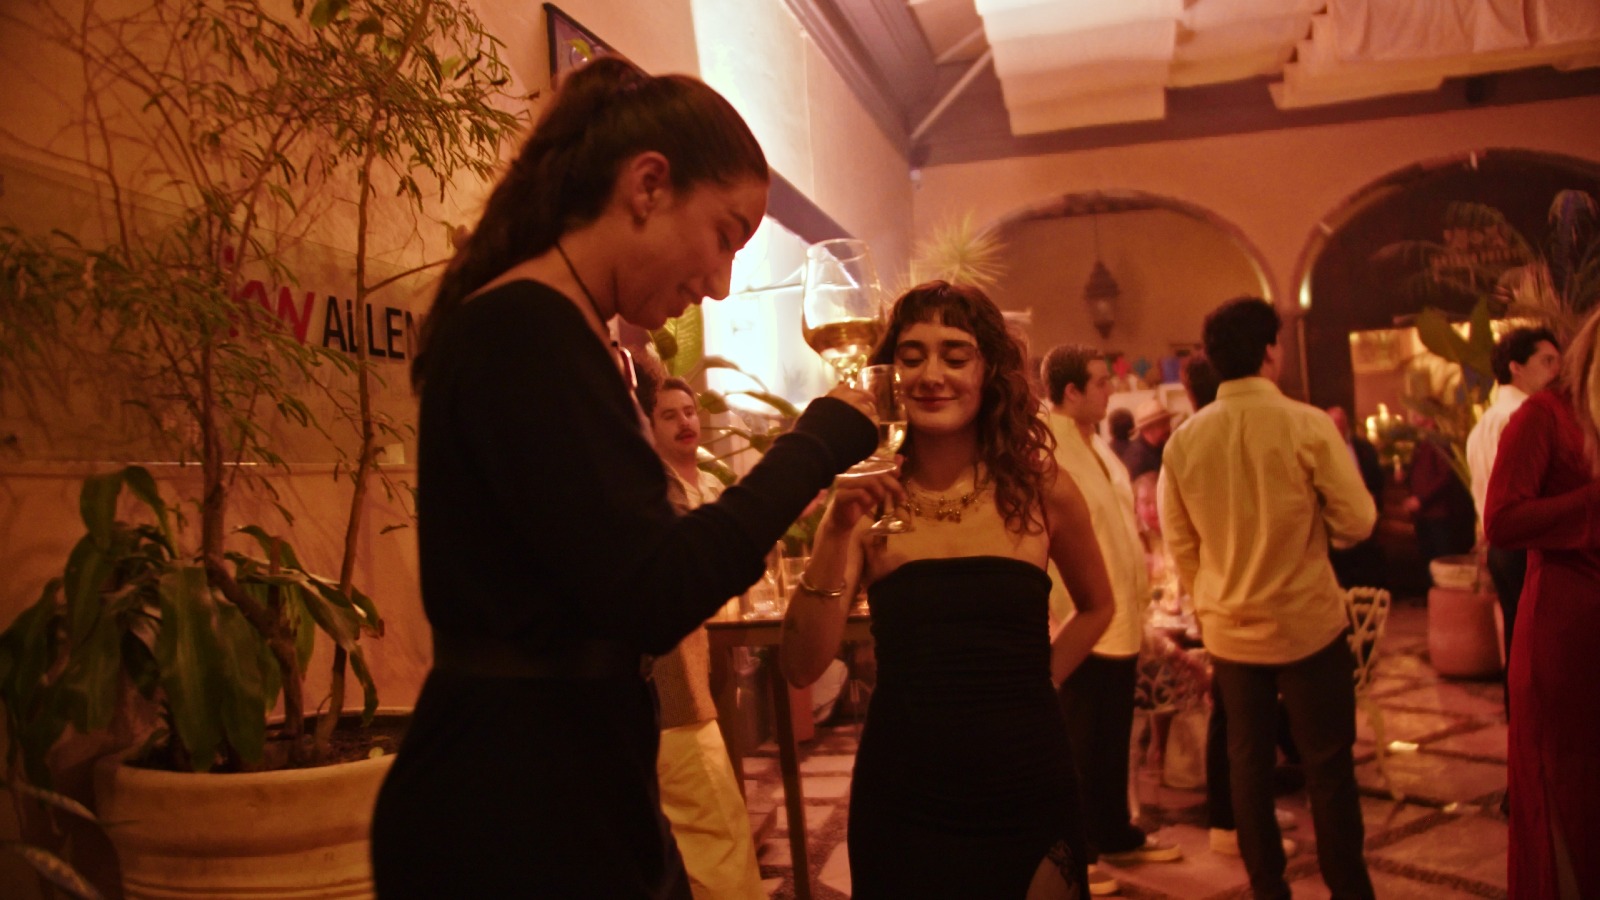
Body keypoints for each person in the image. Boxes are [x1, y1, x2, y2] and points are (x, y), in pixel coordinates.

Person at [369, 57, 878, 898]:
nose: (720, 283)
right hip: (512, 811)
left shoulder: (561, 332)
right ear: (648, 186)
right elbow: (657, 588)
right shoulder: (525, 330)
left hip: (560, 787)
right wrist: (817, 442)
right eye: (726, 236)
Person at [781, 281, 1115, 900]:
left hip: (1029, 776)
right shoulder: (868, 499)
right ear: (889, 373)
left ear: (988, 371)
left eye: (955, 356)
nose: (932, 375)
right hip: (906, 789)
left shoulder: (1041, 488)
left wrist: (1038, 681)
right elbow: (801, 666)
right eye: (912, 357)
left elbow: (1099, 607)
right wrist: (835, 528)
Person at [1159, 297, 1377, 900]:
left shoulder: (1184, 441)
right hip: (1308, 622)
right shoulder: (1307, 424)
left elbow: (1181, 543)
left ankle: (1267, 890)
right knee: (1328, 768)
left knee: (1248, 766)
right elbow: (1359, 520)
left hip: (1230, 630)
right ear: (1270, 352)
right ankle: (1349, 890)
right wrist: (1317, 533)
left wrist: (1213, 597)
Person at [1041, 345, 1182, 896]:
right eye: (1099, 382)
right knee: (1078, 745)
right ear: (1071, 391)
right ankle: (1079, 853)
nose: (1110, 390)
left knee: (1111, 741)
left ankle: (1114, 833)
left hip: (1120, 613)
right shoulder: (1048, 447)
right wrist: (1057, 616)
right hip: (1079, 617)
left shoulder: (1095, 442)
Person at [1484, 312, 1600, 900]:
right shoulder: (1545, 415)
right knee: (1568, 789)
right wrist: (1593, 503)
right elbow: (1502, 520)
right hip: (1565, 629)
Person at [636, 374, 764, 899]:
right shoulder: (650, 488)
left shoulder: (700, 482)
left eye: (689, 411)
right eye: (667, 415)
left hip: (681, 685)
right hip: (672, 692)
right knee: (717, 840)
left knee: (698, 841)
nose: (685, 421)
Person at [1465, 326, 1560, 703]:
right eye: (1547, 361)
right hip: (1526, 546)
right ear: (1516, 367)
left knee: (1517, 641)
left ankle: (1517, 719)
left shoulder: (1483, 423)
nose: (1556, 371)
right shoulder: (1524, 416)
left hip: (1501, 548)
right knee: (1538, 646)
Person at [1325, 405, 1387, 590]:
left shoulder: (1363, 448)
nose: (1339, 427)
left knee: (1366, 563)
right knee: (1341, 567)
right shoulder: (1322, 450)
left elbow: (1377, 477)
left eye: (1341, 423)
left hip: (1365, 513)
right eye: (1334, 423)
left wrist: (1375, 504)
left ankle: (1367, 597)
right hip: (1336, 517)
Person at [1404, 412, 1476, 562]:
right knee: (1428, 558)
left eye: (1418, 414)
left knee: (1443, 558)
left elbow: (1445, 475)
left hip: (1438, 512)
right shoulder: (1423, 441)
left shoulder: (1440, 441)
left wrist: (1422, 499)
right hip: (1424, 513)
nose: (1414, 418)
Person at [1120, 397, 1174, 481]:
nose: (1168, 428)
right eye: (1162, 424)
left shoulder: (1162, 447)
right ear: (1147, 429)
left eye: (1168, 422)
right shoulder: (1136, 459)